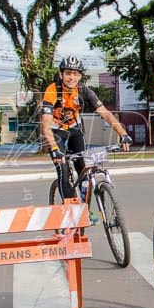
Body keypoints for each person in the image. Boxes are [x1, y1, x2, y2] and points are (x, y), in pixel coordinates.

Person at [41, 55, 132, 203]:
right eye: (68, 73)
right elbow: (45, 124)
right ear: (61, 74)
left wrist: (123, 134)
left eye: (75, 74)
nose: (71, 77)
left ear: (80, 76)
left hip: (75, 130)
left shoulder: (84, 91)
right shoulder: (52, 90)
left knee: (84, 170)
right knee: (63, 171)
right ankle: (70, 213)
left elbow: (105, 114)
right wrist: (54, 148)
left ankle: (85, 209)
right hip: (56, 131)